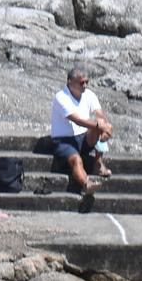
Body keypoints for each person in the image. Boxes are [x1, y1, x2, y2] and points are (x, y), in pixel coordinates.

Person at [51, 65, 113, 199]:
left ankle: (98, 163)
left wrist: (105, 127)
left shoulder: (89, 95)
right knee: (76, 160)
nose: (84, 85)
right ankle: (86, 184)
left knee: (101, 126)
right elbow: (78, 120)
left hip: (83, 138)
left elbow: (99, 115)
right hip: (64, 140)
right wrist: (101, 125)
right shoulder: (61, 97)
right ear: (70, 82)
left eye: (86, 82)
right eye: (81, 82)